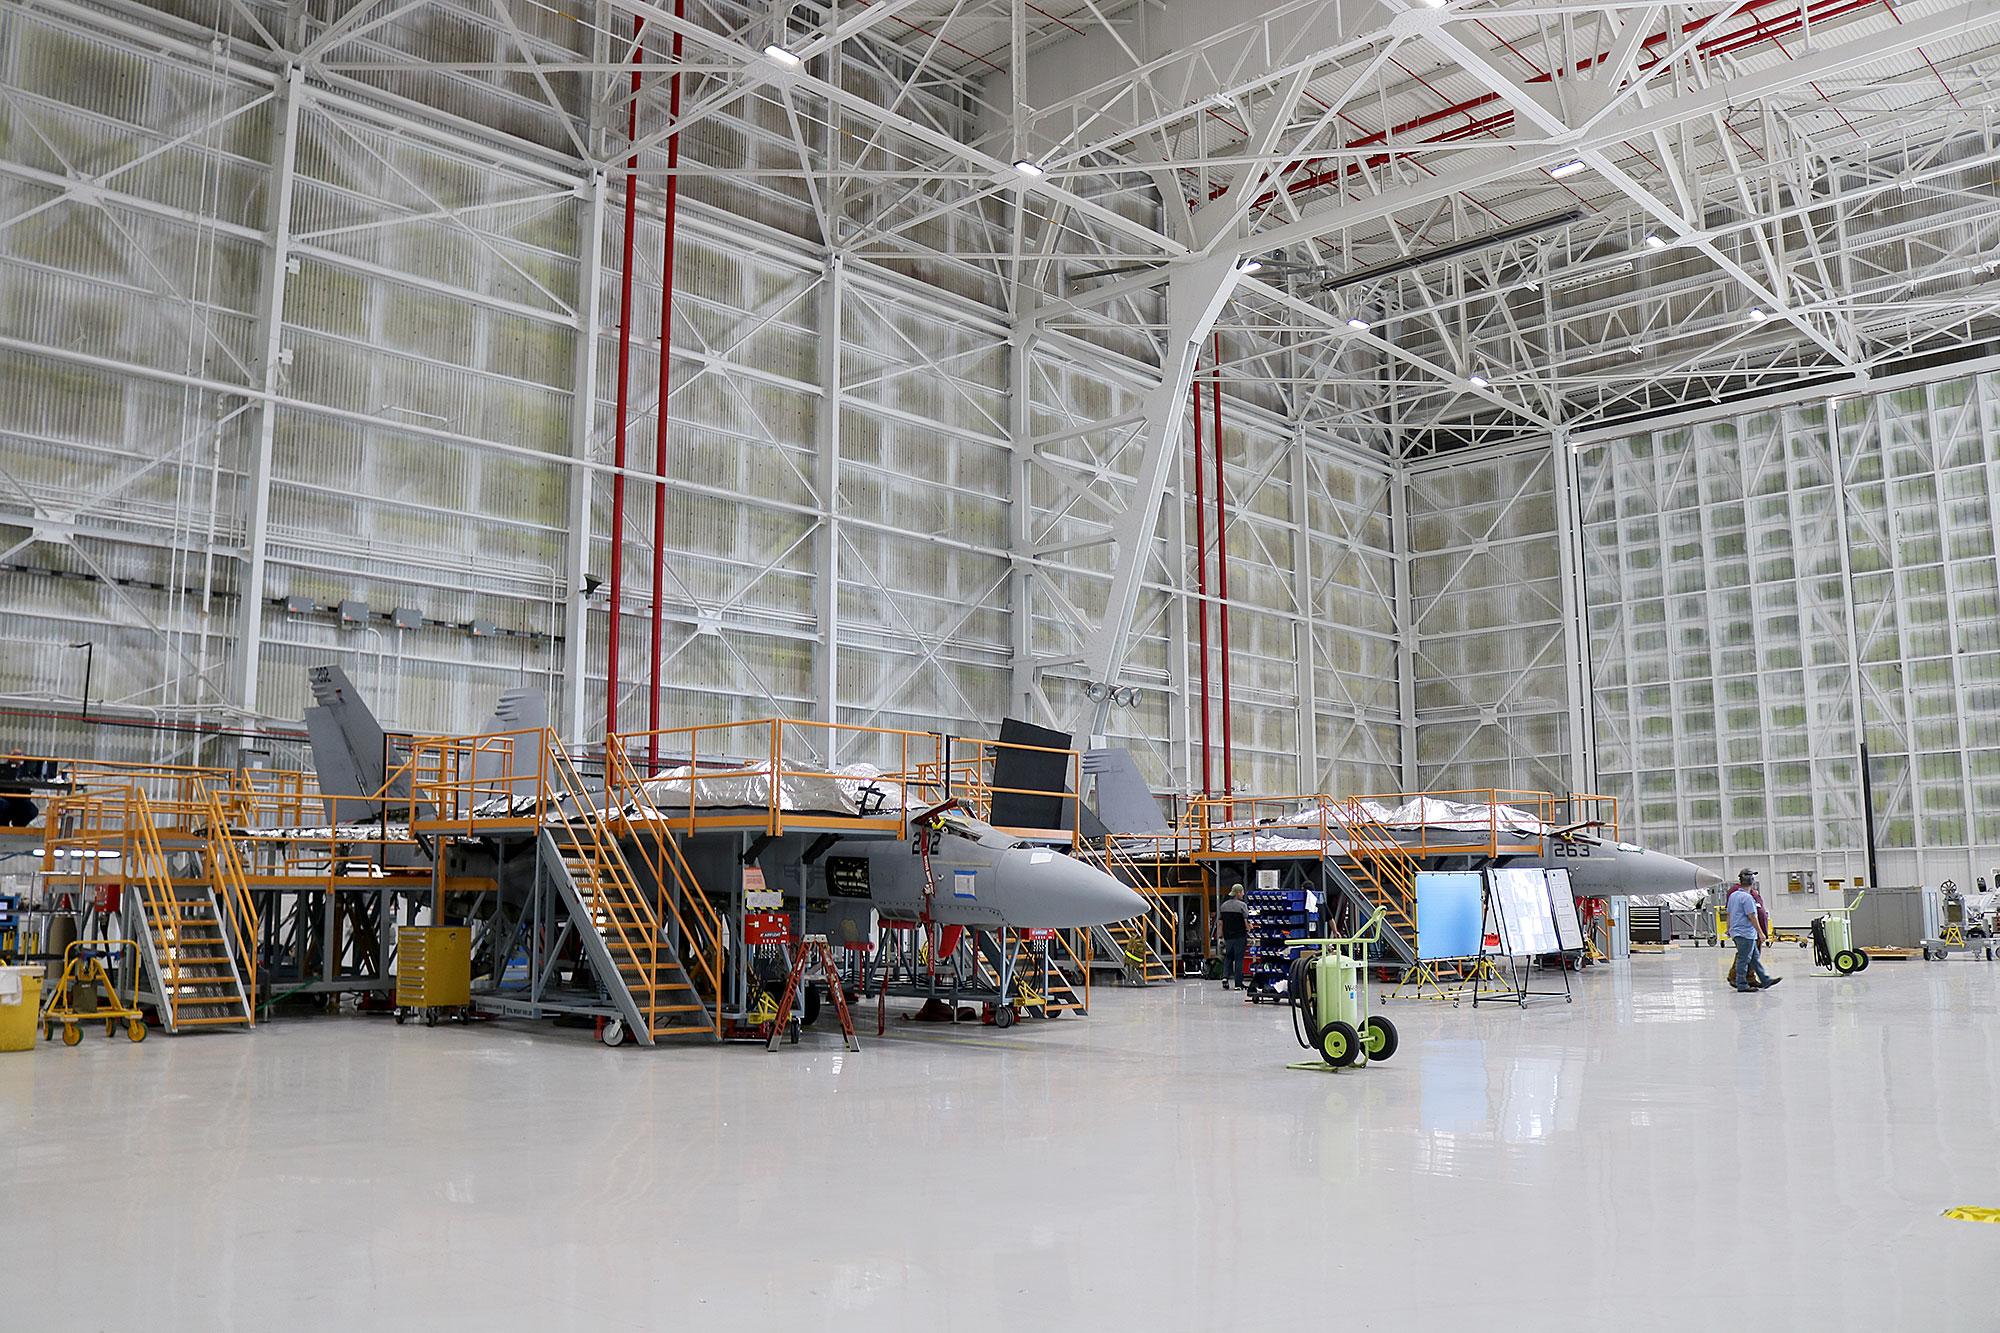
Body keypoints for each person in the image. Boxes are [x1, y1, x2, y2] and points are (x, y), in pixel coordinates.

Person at [1727, 870, 1781, 992]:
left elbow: (1729, 913)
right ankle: (1741, 984)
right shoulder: (1747, 898)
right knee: (1743, 959)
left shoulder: (1733, 896)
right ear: (1752, 881)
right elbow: (1752, 916)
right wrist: (1761, 933)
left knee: (1754, 958)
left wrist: (1728, 928)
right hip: (1746, 934)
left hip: (1738, 932)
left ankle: (1765, 980)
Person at [1217, 886, 1249, 991]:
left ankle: (1225, 977)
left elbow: (1220, 923)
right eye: (1242, 892)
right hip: (1240, 936)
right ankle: (1238, 984)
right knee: (1239, 959)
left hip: (1228, 937)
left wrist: (1220, 936)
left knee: (1228, 957)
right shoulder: (1242, 906)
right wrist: (1249, 930)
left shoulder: (1223, 906)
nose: (1243, 894)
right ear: (1238, 893)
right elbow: (1246, 922)